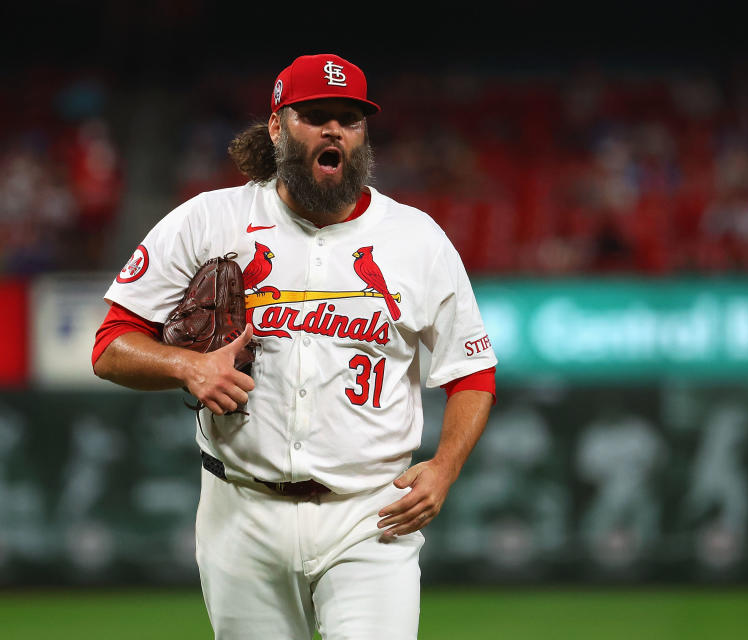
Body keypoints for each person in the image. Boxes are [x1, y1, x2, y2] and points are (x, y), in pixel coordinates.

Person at [92, 53, 497, 639]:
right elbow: (110, 345)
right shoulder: (208, 220)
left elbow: (473, 372)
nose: (335, 129)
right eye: (315, 116)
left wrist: (446, 468)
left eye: (351, 119)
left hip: (370, 514)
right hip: (241, 509)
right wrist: (187, 365)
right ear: (277, 127)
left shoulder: (417, 239)